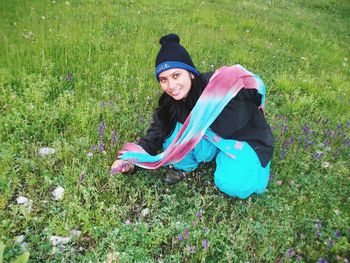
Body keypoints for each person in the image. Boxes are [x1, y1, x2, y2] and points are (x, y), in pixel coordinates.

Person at [111, 34, 274, 199]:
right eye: (163, 79)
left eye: (176, 76)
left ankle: (247, 165)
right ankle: (186, 165)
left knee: (231, 184)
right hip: (213, 138)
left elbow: (254, 86)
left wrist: (258, 108)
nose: (171, 86)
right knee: (172, 133)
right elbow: (155, 134)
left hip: (244, 140)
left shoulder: (220, 87)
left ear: (191, 73)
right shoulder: (171, 103)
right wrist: (130, 161)